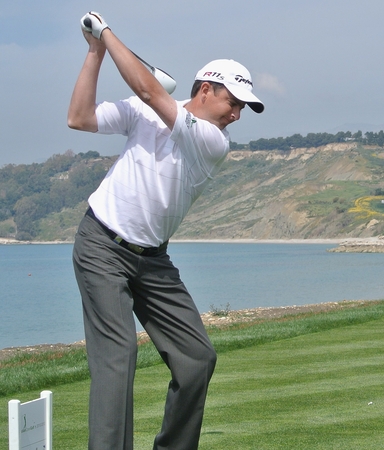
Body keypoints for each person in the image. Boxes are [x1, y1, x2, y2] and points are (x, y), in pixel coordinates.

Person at [68, 12, 263, 450]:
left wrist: (105, 31)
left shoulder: (213, 142)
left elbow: (148, 90)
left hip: (153, 260)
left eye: (242, 108)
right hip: (102, 246)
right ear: (205, 89)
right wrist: (95, 52)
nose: (236, 114)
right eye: (233, 102)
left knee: (197, 358)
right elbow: (79, 117)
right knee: (118, 358)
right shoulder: (144, 111)